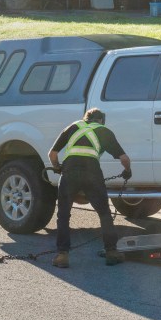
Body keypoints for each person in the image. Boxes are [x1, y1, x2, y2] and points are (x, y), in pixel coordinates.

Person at [48, 108, 132, 268]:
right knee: (104, 213)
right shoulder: (104, 131)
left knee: (63, 214)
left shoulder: (72, 127)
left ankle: (62, 255)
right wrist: (127, 172)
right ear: (101, 120)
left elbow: (52, 154)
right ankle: (111, 252)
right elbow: (124, 159)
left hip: (69, 172)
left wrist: (58, 167)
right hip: (92, 172)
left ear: (86, 118)